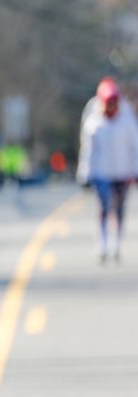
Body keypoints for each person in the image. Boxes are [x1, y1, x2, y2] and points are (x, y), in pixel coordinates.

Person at [77, 77, 138, 263]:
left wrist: (135, 171)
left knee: (119, 209)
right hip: (101, 173)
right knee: (104, 208)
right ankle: (102, 243)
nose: (112, 106)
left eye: (114, 102)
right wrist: (84, 173)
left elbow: (134, 147)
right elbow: (87, 149)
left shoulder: (127, 120)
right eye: (108, 103)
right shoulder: (93, 121)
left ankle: (116, 243)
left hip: (122, 172)